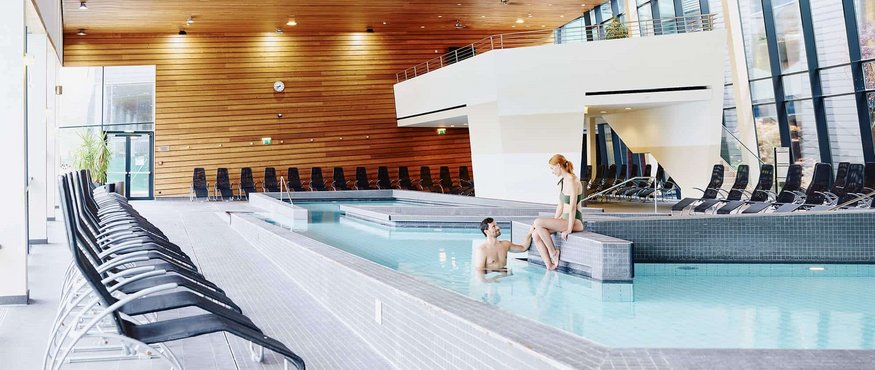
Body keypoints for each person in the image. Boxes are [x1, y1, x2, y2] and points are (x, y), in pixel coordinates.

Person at [531, 154, 585, 270]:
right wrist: (553, 221)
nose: (552, 171)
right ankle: (549, 265)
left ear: (559, 165)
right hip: (563, 220)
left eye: (552, 168)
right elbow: (560, 206)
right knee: (536, 234)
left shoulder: (572, 181)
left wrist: (569, 229)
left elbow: (572, 208)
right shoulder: (562, 181)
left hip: (574, 221)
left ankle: (554, 253)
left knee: (537, 222)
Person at [472, 218, 533, 282]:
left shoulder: (505, 244)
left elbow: (523, 248)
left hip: (506, 278)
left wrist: (530, 233)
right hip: (492, 282)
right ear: (486, 231)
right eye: (494, 226)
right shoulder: (482, 250)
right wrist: (490, 282)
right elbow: (479, 274)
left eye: (497, 225)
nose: (498, 227)